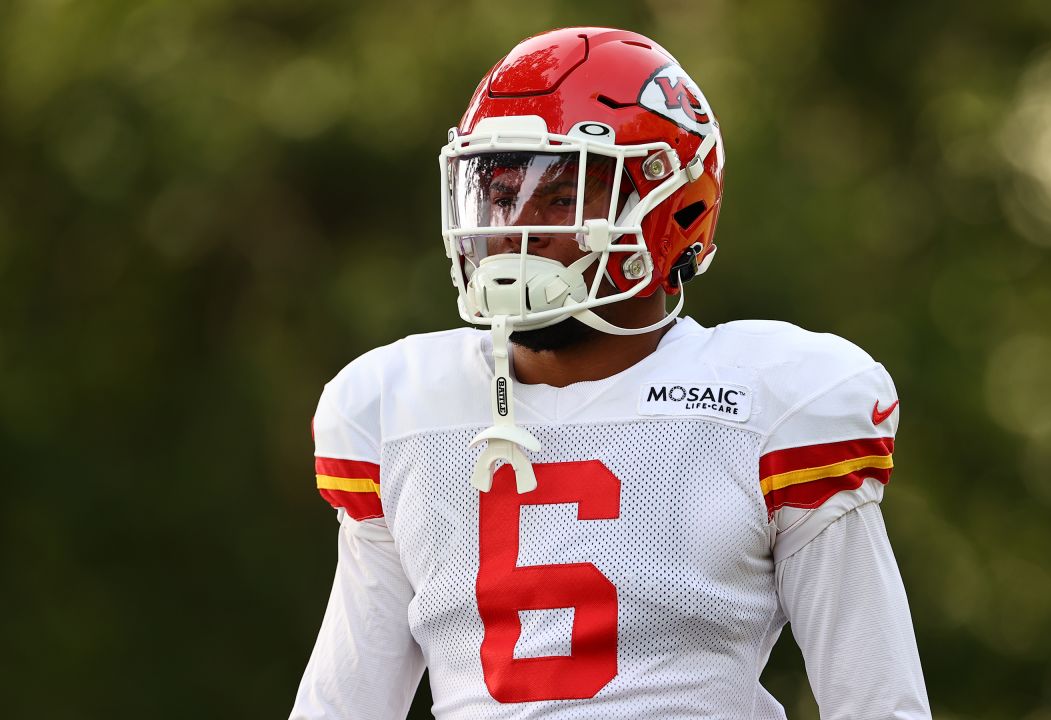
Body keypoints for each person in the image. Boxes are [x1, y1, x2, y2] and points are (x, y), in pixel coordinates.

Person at [291, 26, 931, 720]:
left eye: (560, 197)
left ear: (675, 209)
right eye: (500, 193)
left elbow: (877, 703)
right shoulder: (396, 408)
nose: (514, 227)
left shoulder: (768, 406)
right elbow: (342, 705)